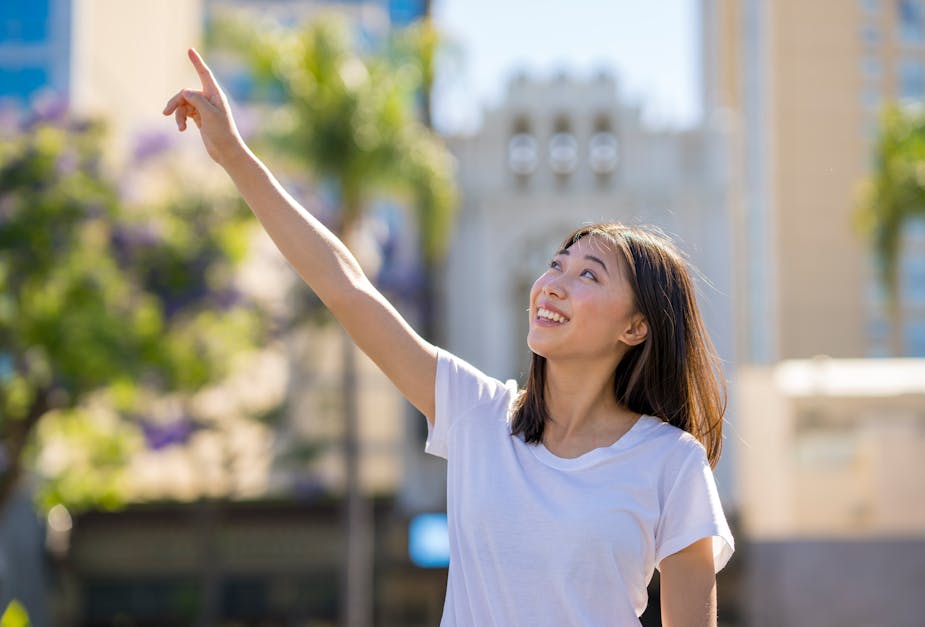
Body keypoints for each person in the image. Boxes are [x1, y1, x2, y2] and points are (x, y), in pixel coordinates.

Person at [165, 48, 734, 626]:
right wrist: (234, 156)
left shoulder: (671, 462)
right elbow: (347, 288)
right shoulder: (478, 415)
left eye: (589, 274)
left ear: (636, 326)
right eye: (556, 265)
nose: (553, 284)